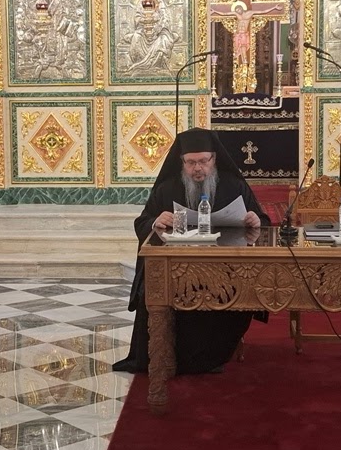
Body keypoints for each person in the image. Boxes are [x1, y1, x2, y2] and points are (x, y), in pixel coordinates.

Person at [113, 128, 270, 375]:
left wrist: (256, 220)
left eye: (203, 161)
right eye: (191, 162)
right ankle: (166, 354)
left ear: (214, 159)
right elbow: (142, 222)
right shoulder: (167, 188)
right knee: (153, 290)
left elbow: (264, 222)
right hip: (177, 272)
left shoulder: (234, 186)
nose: (198, 168)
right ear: (182, 162)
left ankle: (211, 357)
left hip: (225, 272)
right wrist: (155, 221)